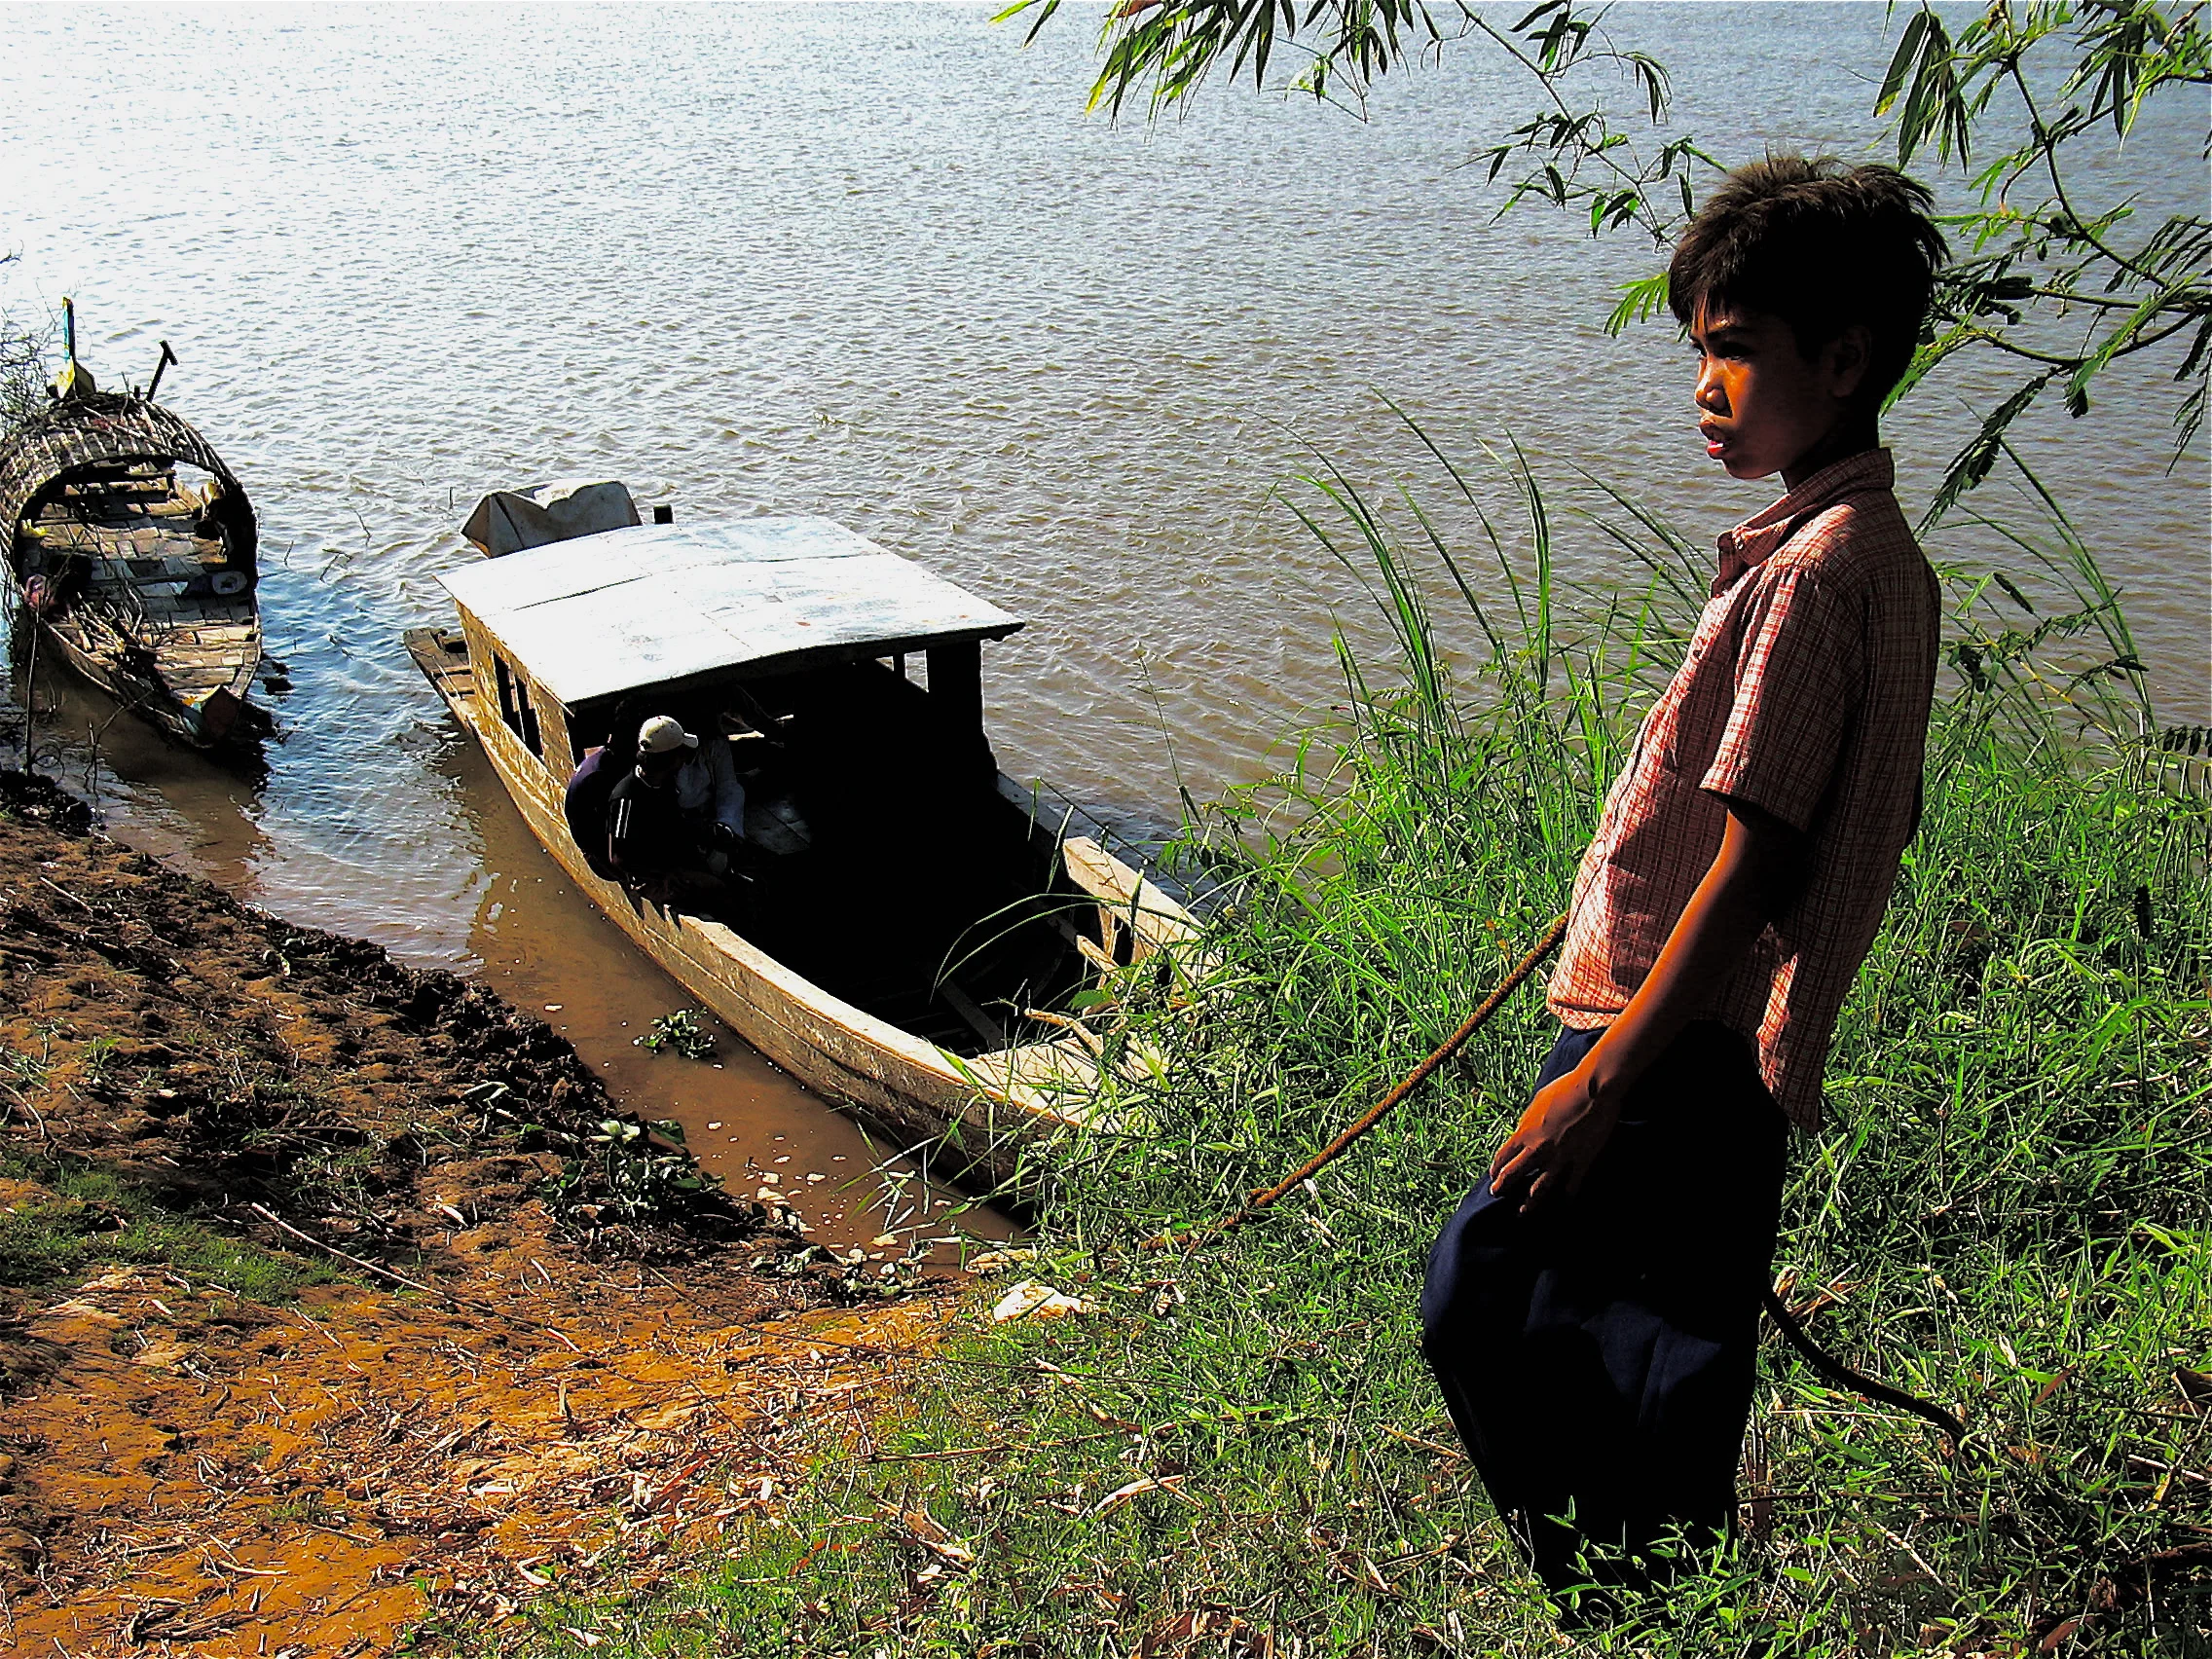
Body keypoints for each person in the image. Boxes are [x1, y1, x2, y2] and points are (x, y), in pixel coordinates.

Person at [1419, 156, 1949, 1604]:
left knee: (1485, 1298)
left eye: (1735, 349)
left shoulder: (1816, 573)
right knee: (1665, 1339)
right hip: (1703, 1031)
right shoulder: (1865, 551)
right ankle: (1671, 1603)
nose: (1705, 386)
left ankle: (1627, 1608)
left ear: (1842, 360)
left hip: (1675, 1034)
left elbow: (1758, 858)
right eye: (1699, 350)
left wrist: (1594, 1090)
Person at [606, 715, 739, 899]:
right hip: (655, 872)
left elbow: (674, 823)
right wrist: (667, 875)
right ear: (670, 759)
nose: (684, 760)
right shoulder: (625, 797)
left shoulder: (665, 783)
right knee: (721, 892)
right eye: (681, 754)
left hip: (673, 858)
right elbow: (619, 858)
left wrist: (711, 834)